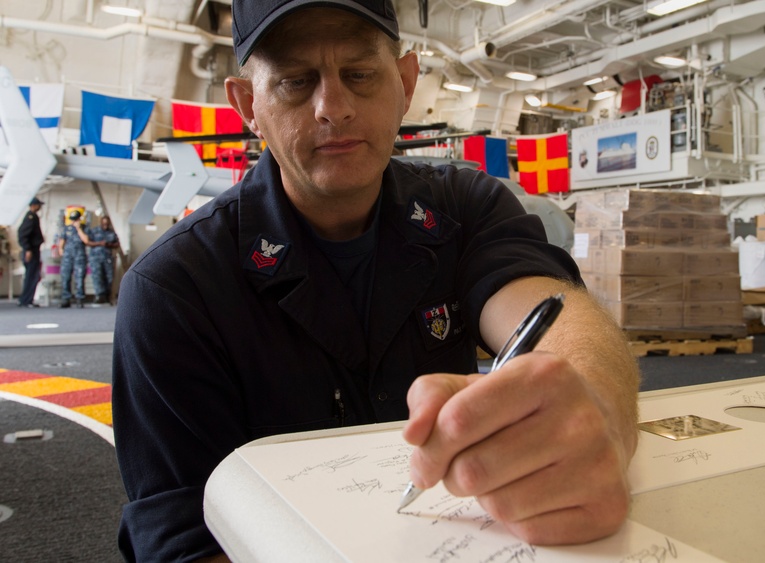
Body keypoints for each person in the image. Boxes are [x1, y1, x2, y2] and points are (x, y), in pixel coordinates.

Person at [111, 1, 640, 561]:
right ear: (248, 104)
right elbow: (187, 538)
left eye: (360, 75)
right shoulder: (174, 290)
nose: (332, 108)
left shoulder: (468, 207)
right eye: (295, 82)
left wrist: (596, 409)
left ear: (406, 83)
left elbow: (552, 309)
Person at [57, 209, 90, 308]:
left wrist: (79, 228)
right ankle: (66, 298)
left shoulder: (84, 228)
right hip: (68, 257)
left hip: (79, 257)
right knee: (65, 277)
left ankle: (79, 298)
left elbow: (86, 241)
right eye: (72, 220)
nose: (73, 222)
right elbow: (61, 242)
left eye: (75, 219)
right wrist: (61, 251)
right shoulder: (66, 229)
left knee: (79, 278)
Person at [17, 197, 45, 308]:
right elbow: (22, 234)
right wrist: (27, 249)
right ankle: (26, 300)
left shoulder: (32, 217)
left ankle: (27, 299)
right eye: (38, 205)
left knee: (32, 275)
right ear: (34, 205)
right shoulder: (30, 217)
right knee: (31, 275)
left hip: (33, 250)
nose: (40, 207)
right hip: (31, 251)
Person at [85, 215, 119, 304]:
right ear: (101, 223)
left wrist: (108, 245)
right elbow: (88, 242)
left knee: (109, 277)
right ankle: (99, 296)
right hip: (95, 258)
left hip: (107, 258)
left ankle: (107, 295)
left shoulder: (112, 232)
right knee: (97, 276)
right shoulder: (94, 231)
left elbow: (117, 244)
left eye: (107, 224)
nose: (105, 225)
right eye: (104, 223)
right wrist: (99, 243)